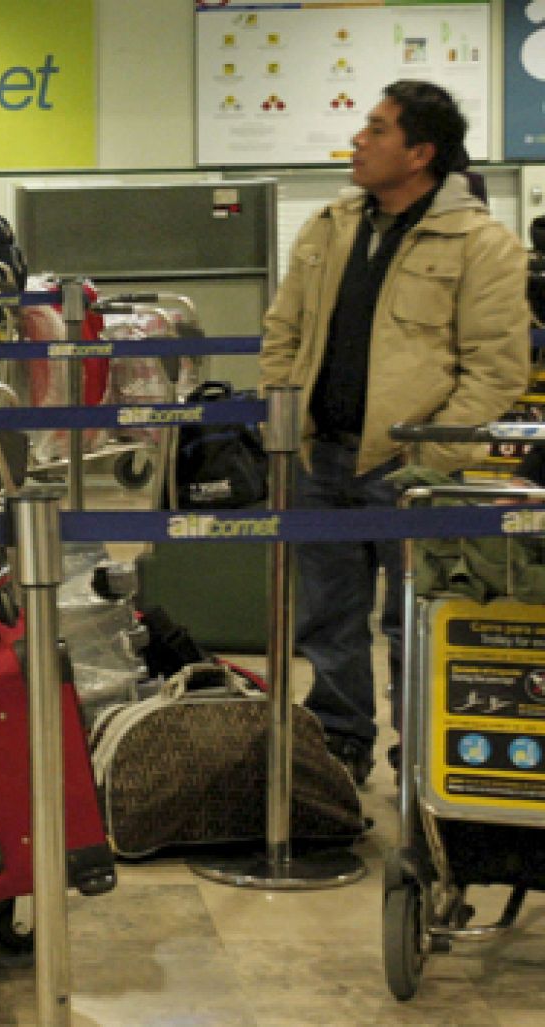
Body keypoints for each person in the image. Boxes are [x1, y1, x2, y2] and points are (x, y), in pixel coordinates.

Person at [259, 80, 530, 785]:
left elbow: (495, 372)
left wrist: (431, 456)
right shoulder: (329, 225)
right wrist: (283, 408)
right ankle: (339, 745)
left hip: (414, 470)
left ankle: (420, 759)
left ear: (420, 153)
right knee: (327, 619)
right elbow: (283, 330)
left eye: (377, 130)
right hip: (322, 460)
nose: (359, 140)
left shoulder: (483, 244)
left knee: (414, 621)